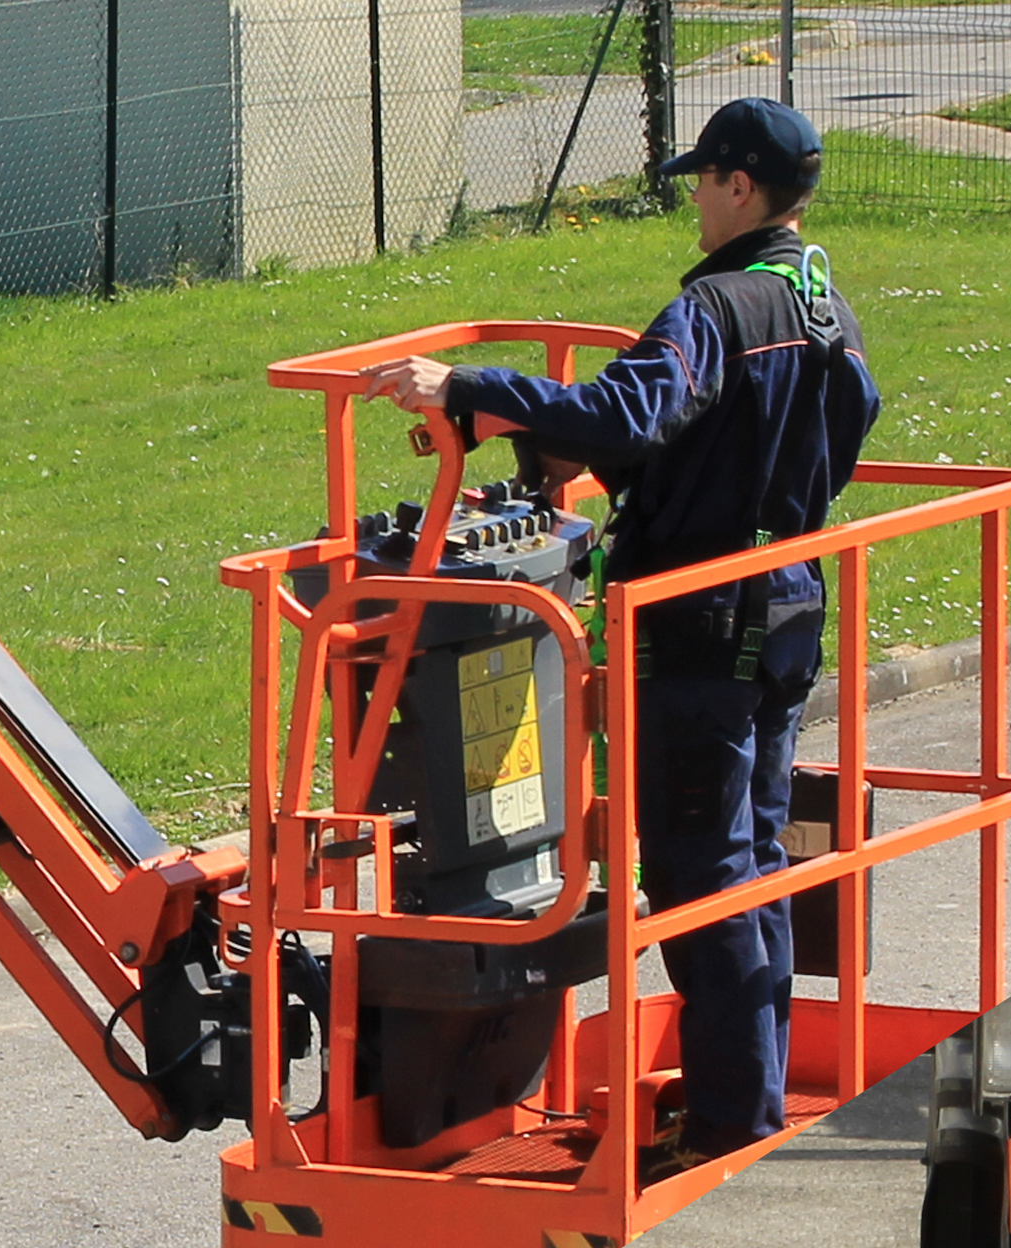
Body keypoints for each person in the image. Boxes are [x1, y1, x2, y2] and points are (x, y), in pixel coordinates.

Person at [364, 99, 879, 1163]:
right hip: (783, 601)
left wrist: (466, 386)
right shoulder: (820, 301)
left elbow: (627, 416)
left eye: (702, 180)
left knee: (701, 877)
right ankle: (751, 1095)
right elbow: (833, 419)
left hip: (697, 626)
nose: (692, 196)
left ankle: (734, 1125)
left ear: (741, 187)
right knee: (758, 859)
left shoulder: (717, 308)